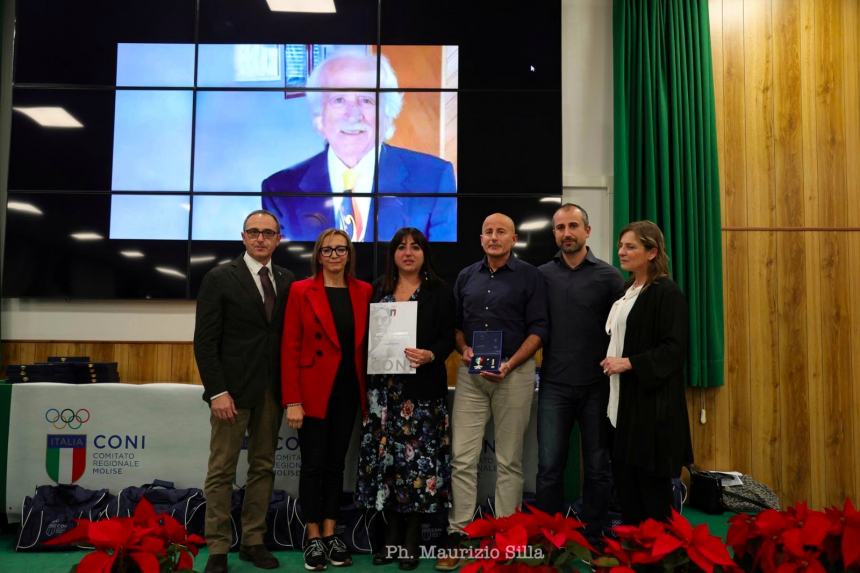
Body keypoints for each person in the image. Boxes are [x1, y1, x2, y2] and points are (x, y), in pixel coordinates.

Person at [436, 213, 549, 570]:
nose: (494, 237)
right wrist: (464, 350)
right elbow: (456, 327)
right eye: (488, 231)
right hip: (472, 376)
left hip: (513, 375)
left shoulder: (531, 276)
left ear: (513, 238)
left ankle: (505, 538)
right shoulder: (467, 276)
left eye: (501, 231)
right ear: (481, 237)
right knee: (463, 458)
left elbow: (539, 329)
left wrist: (511, 363)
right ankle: (460, 534)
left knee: (509, 460)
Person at [261, 51, 456, 243]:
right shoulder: (279, 190)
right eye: (339, 100)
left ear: (387, 115)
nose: (353, 115)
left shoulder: (435, 178)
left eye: (366, 100)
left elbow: (440, 266)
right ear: (319, 118)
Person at [194, 210, 294, 573]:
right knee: (221, 470)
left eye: (268, 233)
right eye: (254, 232)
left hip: (271, 391)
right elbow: (205, 342)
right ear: (243, 236)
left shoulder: (287, 279)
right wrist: (217, 391)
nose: (261, 239)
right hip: (231, 394)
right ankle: (218, 548)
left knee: (263, 467)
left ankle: (253, 541)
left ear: (278, 239)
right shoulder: (220, 277)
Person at [354, 228, 455, 570]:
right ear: (392, 253)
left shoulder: (439, 290)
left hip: (422, 395)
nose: (408, 253)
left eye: (415, 247)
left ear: (425, 252)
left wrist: (431, 354)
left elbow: (448, 336)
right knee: (388, 468)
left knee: (417, 469)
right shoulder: (377, 288)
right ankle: (389, 540)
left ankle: (411, 541)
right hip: (383, 394)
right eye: (401, 247)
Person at [281, 228, 373, 570]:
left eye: (341, 250)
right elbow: (289, 347)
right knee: (313, 464)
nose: (335, 256)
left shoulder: (364, 291)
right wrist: (292, 399)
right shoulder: (300, 290)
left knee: (336, 465)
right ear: (318, 255)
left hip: (349, 390)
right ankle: (313, 536)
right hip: (312, 390)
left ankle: (333, 533)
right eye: (328, 250)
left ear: (349, 255)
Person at [537, 204, 624, 540]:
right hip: (554, 385)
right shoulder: (541, 276)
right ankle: (550, 537)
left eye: (573, 226)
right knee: (548, 469)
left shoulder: (610, 277)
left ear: (587, 230)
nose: (566, 233)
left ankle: (594, 535)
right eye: (560, 228)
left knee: (599, 468)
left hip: (596, 388)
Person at [600, 220, 693, 524]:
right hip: (626, 405)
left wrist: (629, 363)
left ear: (652, 252)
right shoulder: (629, 289)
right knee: (627, 489)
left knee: (651, 495)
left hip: (653, 411)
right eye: (621, 246)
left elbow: (674, 349)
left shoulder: (667, 293)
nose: (622, 252)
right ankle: (631, 554)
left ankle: (655, 557)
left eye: (631, 246)